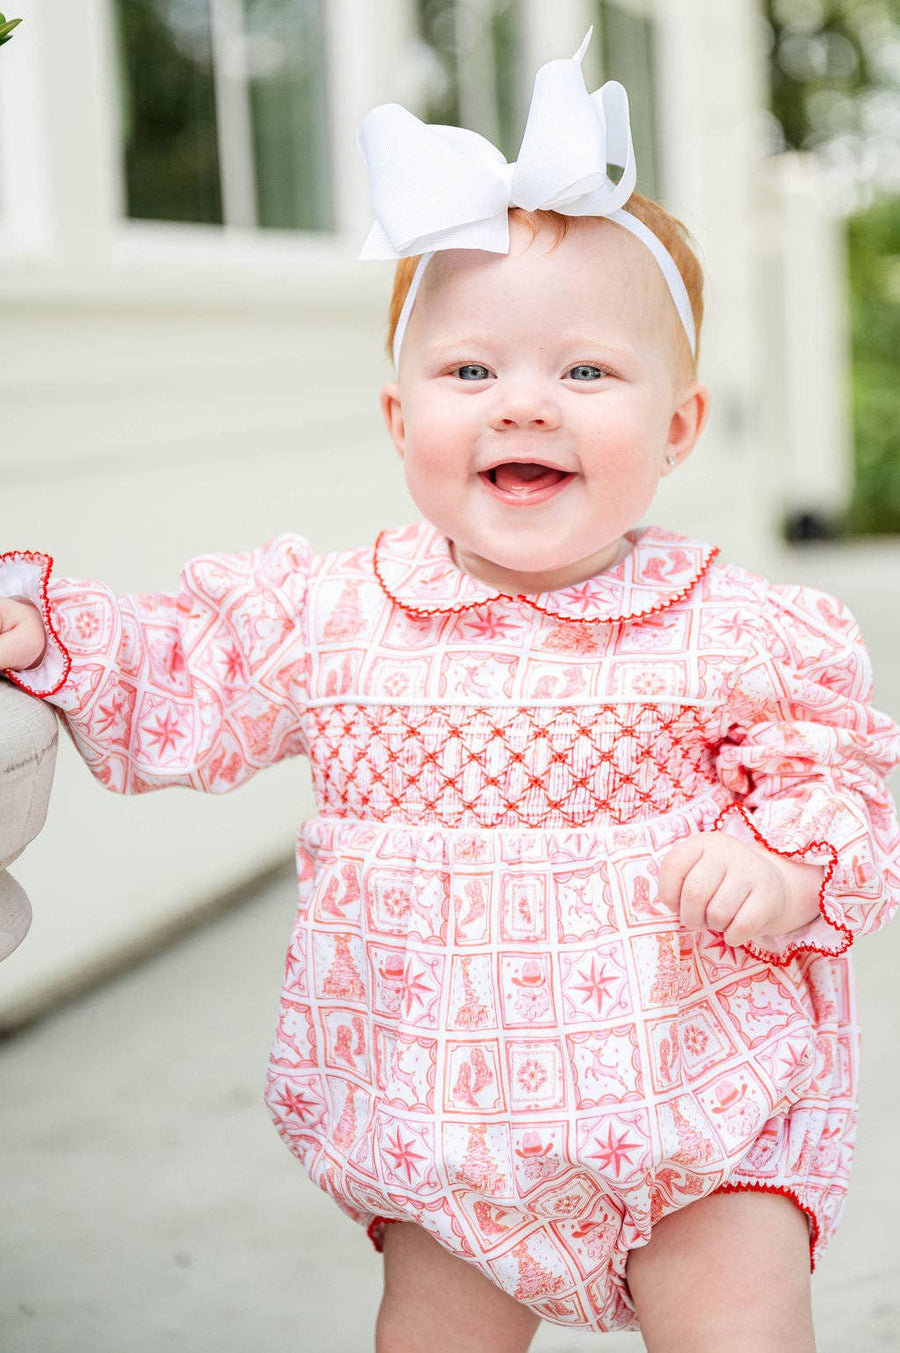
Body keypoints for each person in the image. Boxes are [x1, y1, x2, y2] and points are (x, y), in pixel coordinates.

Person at [1, 32, 898, 1353]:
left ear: (678, 426)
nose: (523, 404)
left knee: (736, 1322)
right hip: (445, 1115)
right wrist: (51, 630)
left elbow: (837, 769)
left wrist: (782, 865)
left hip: (697, 1091)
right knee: (432, 1330)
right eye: (471, 371)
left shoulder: (736, 626)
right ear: (396, 414)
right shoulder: (338, 615)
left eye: (586, 371)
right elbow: (188, 672)